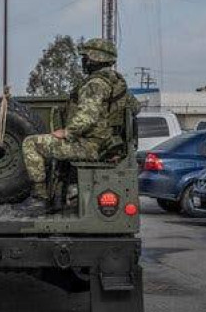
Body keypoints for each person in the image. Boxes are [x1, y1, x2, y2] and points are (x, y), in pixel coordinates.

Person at [18, 38, 136, 214]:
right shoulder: (116, 82)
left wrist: (67, 132)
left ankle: (40, 199)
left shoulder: (95, 84)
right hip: (107, 145)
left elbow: (87, 117)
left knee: (31, 143)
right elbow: (135, 108)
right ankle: (58, 198)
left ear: (94, 59)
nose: (83, 61)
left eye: (85, 57)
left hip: (90, 146)